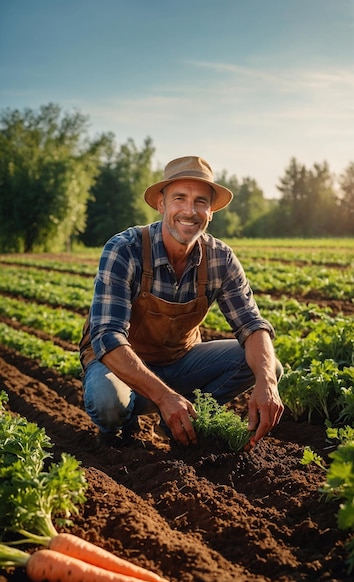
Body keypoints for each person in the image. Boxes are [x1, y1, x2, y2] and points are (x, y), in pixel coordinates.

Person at [79, 156, 283, 448]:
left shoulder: (220, 258)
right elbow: (107, 338)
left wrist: (267, 384)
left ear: (211, 212)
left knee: (268, 365)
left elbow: (251, 324)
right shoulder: (125, 249)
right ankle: (118, 432)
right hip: (120, 364)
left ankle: (176, 421)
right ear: (161, 205)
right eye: (180, 198)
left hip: (179, 361)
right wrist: (164, 396)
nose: (190, 210)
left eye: (201, 201)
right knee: (107, 400)